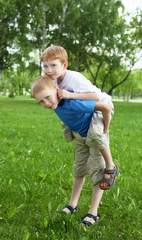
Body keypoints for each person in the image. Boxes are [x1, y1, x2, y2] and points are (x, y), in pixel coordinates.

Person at [31, 76, 119, 227]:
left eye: (47, 97)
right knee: (78, 170)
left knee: (97, 172)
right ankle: (72, 205)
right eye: (41, 101)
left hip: (93, 136)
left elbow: (105, 107)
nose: (46, 103)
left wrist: (105, 129)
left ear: (57, 91)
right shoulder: (55, 104)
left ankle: (93, 212)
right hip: (80, 137)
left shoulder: (73, 103)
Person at [41, 45, 117, 192]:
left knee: (96, 134)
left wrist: (70, 95)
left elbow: (96, 97)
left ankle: (110, 165)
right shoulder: (54, 80)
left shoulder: (74, 78)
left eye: (53, 65)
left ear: (64, 65)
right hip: (87, 110)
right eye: (45, 66)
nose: (48, 70)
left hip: (102, 105)